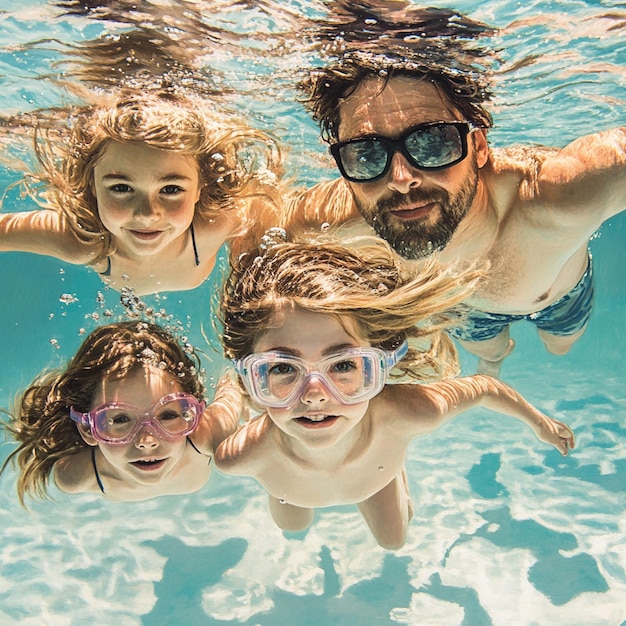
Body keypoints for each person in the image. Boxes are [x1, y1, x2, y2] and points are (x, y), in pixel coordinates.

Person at [285, 2, 626, 376]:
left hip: (560, 299)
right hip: (463, 308)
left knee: (559, 346)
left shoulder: (554, 199)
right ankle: (493, 362)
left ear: (479, 147)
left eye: (432, 142)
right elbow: (256, 228)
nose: (401, 178)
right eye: (365, 153)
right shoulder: (333, 222)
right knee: (490, 350)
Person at [214, 234, 575, 549]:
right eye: (281, 368)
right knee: (292, 526)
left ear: (378, 366)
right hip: (286, 484)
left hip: (377, 474)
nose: (314, 395)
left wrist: (538, 423)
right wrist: (226, 393)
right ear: (250, 378)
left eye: (342, 365)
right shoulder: (242, 456)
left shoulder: (409, 414)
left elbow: (482, 388)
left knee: (394, 540)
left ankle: (392, 470)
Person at [0, 91, 283, 295]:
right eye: (122, 188)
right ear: (92, 186)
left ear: (200, 189)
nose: (147, 213)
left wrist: (249, 255)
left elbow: (270, 197)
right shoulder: (84, 240)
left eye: (171, 189)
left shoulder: (217, 223)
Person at [0, 321, 242, 504]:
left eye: (168, 415)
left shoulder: (207, 437)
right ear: (87, 429)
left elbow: (233, 387)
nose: (147, 442)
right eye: (120, 419)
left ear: (192, 414)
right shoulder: (77, 476)